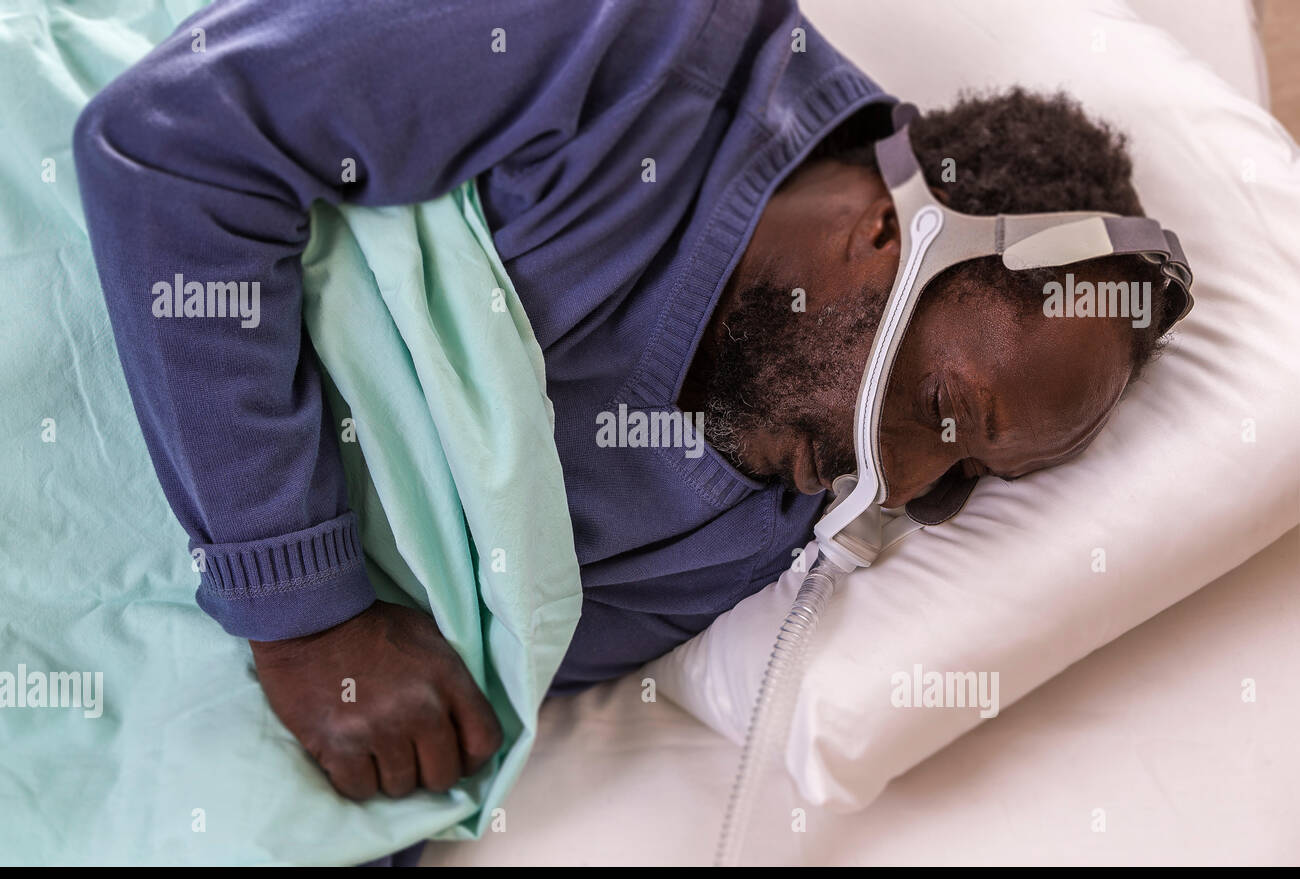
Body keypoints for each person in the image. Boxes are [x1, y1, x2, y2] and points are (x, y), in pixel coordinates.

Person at [74, 0, 1179, 802]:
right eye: (947, 410)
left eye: (962, 487)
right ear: (891, 231)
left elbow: (420, 718)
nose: (907, 481)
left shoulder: (751, 530)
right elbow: (167, 146)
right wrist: (308, 609)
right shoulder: (640, 43)